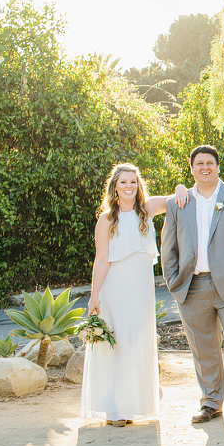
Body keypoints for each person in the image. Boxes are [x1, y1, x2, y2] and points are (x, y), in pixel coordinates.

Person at [160, 145, 224, 425]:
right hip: (192, 288)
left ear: (218, 166)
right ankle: (211, 402)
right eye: (199, 163)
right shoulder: (177, 203)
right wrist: (173, 280)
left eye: (209, 162)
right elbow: (168, 248)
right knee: (203, 349)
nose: (204, 167)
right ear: (192, 167)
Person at [81, 165, 187, 425]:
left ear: (138, 185)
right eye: (123, 182)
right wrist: (95, 297)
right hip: (115, 288)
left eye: (133, 182)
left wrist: (181, 187)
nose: (129, 186)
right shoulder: (106, 220)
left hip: (141, 289)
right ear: (114, 186)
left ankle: (134, 405)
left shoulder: (147, 210)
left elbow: (176, 198)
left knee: (138, 342)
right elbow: (102, 259)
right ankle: (114, 409)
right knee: (117, 345)